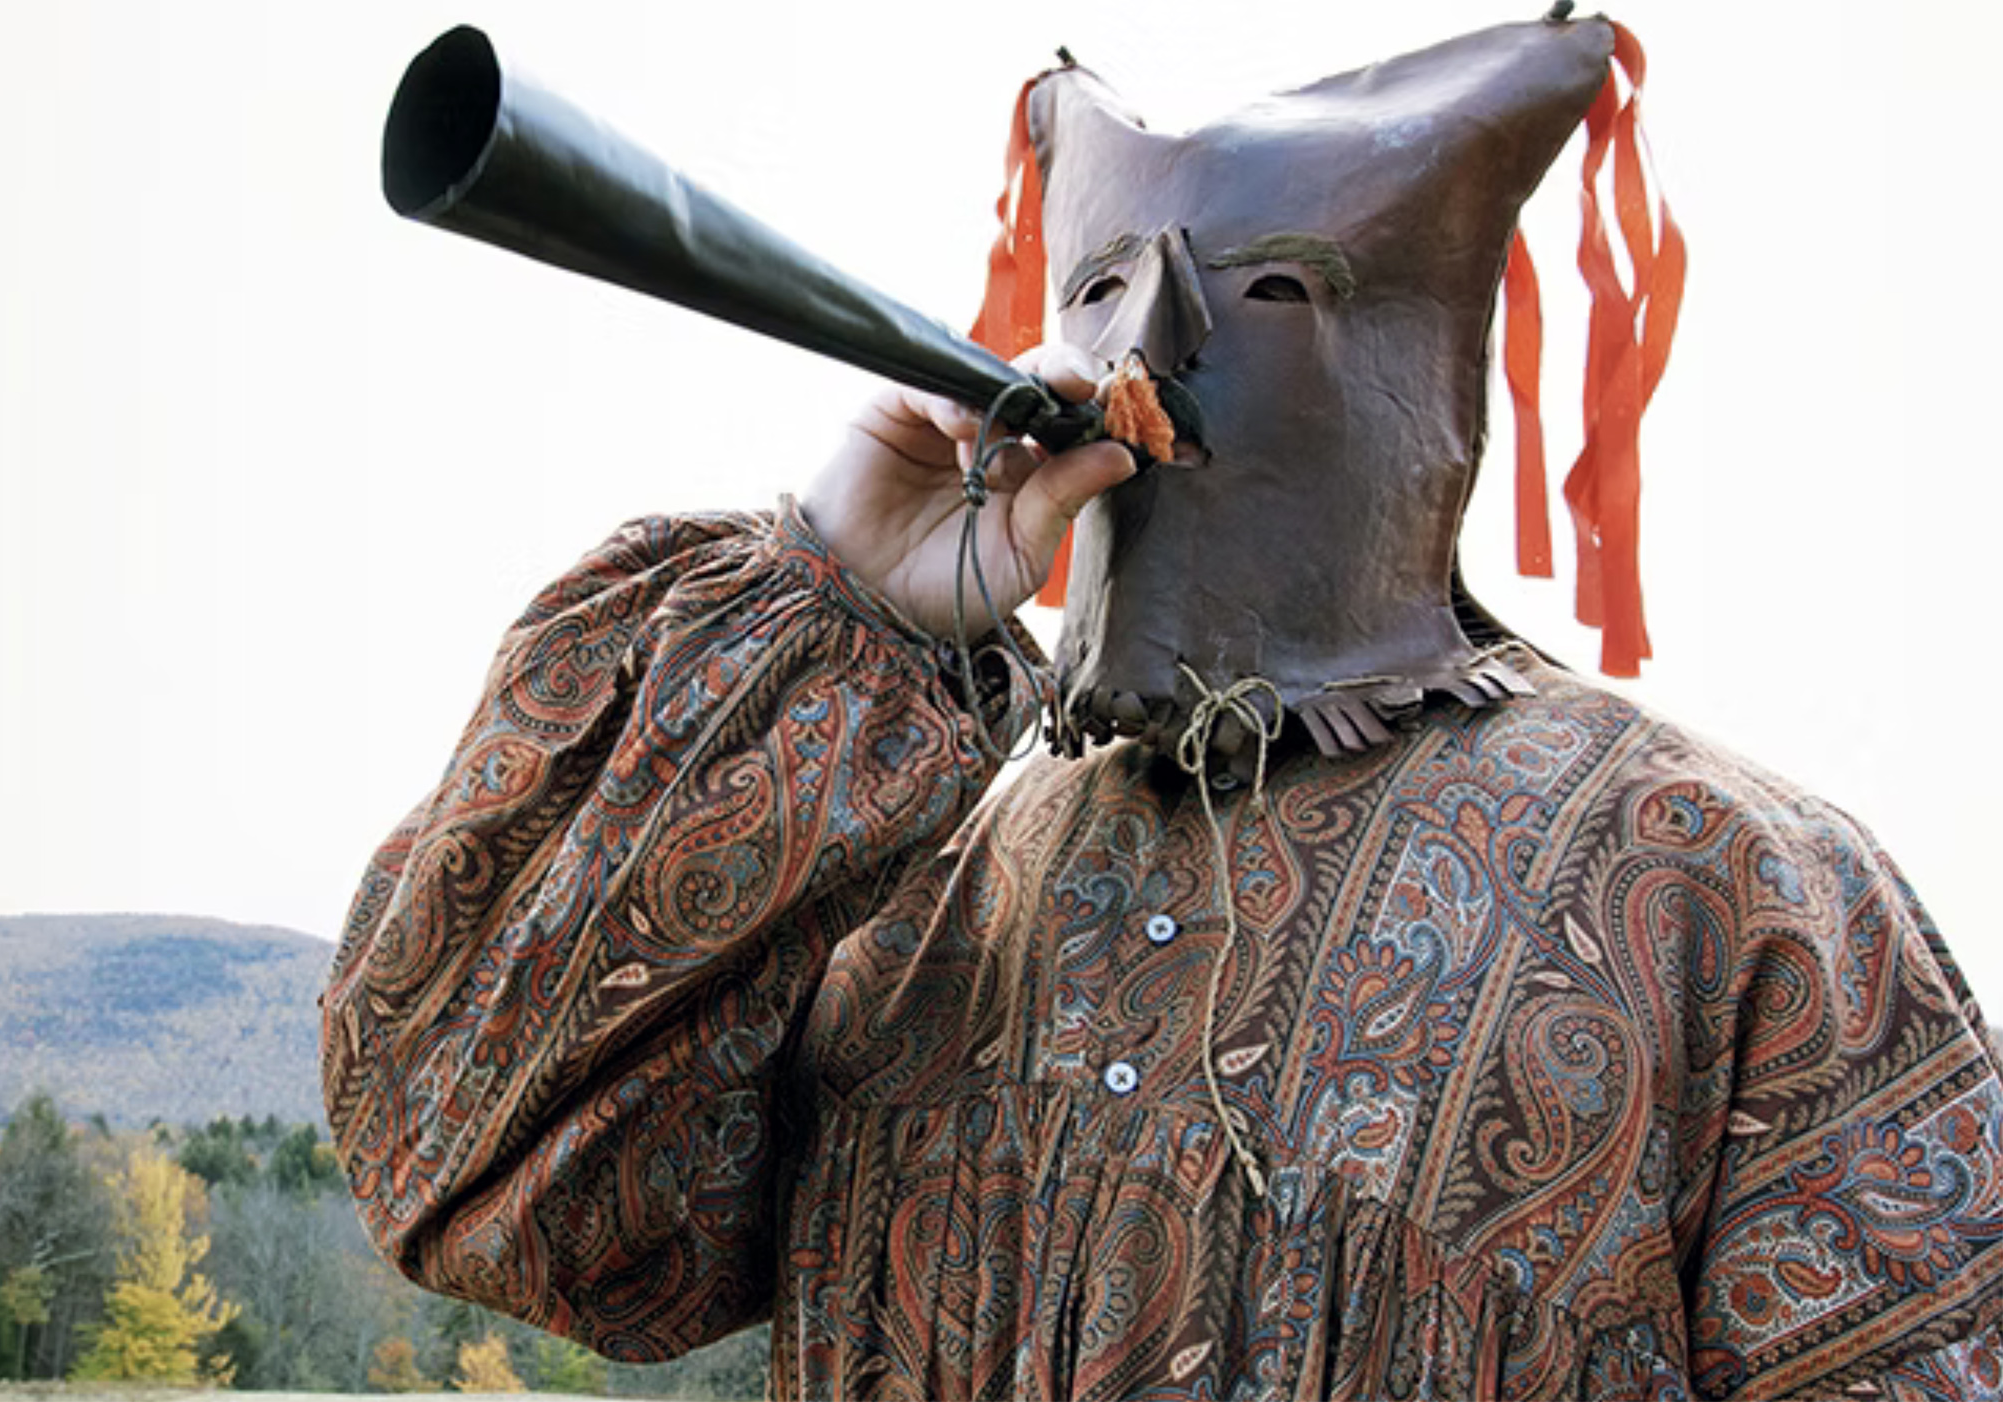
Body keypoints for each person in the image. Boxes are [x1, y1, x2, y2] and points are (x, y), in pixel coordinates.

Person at [321, 15, 2003, 1398]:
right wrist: (830, 595)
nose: (1160, 334)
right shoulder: (915, 883)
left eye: (1270, 288)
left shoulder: (1719, 880)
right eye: (1105, 286)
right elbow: (475, 1164)